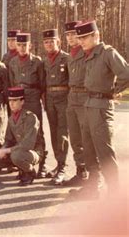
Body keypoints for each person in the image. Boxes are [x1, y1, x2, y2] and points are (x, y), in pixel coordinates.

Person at [72, 21, 129, 198]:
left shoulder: (107, 53)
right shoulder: (88, 54)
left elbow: (126, 74)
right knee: (88, 150)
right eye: (79, 37)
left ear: (96, 36)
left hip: (101, 107)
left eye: (85, 37)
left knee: (104, 152)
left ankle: (114, 193)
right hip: (88, 104)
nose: (81, 41)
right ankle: (93, 187)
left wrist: (114, 92)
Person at [0, 87, 44, 186]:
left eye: (15, 101)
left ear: (22, 101)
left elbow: (28, 144)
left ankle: (30, 172)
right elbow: (9, 140)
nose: (11, 104)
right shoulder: (11, 118)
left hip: (33, 152)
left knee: (16, 155)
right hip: (17, 151)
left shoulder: (30, 117)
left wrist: (7, 151)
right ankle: (21, 169)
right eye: (10, 101)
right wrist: (2, 149)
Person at [7, 33, 47, 178]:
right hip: (19, 97)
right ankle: (22, 166)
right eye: (19, 45)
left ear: (30, 45)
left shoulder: (37, 62)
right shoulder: (12, 62)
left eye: (25, 45)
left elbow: (43, 83)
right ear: (16, 46)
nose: (22, 48)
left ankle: (42, 164)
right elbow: (12, 83)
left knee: (38, 131)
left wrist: (41, 98)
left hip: (33, 97)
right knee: (20, 130)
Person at [42, 29, 70, 185]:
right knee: (53, 133)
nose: (49, 44)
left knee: (62, 133)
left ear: (58, 42)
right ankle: (58, 164)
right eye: (46, 42)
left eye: (51, 41)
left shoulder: (66, 58)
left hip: (64, 99)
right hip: (50, 99)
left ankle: (62, 167)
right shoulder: (45, 61)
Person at [63, 21, 90, 186]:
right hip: (72, 97)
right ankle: (81, 172)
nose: (71, 37)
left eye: (74, 34)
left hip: (85, 97)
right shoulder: (69, 56)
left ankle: (93, 176)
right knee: (75, 138)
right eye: (68, 35)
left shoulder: (87, 52)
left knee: (87, 138)